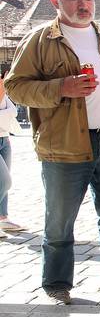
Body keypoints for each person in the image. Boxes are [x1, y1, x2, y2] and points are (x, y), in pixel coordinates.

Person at [4, 0, 100, 305]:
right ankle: (56, 282)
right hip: (65, 144)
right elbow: (15, 86)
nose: (83, 4)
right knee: (59, 221)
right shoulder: (40, 40)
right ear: (55, 2)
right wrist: (60, 88)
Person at [0, 73, 24, 237]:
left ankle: (3, 217)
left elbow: (12, 112)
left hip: (4, 138)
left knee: (4, 178)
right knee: (4, 181)